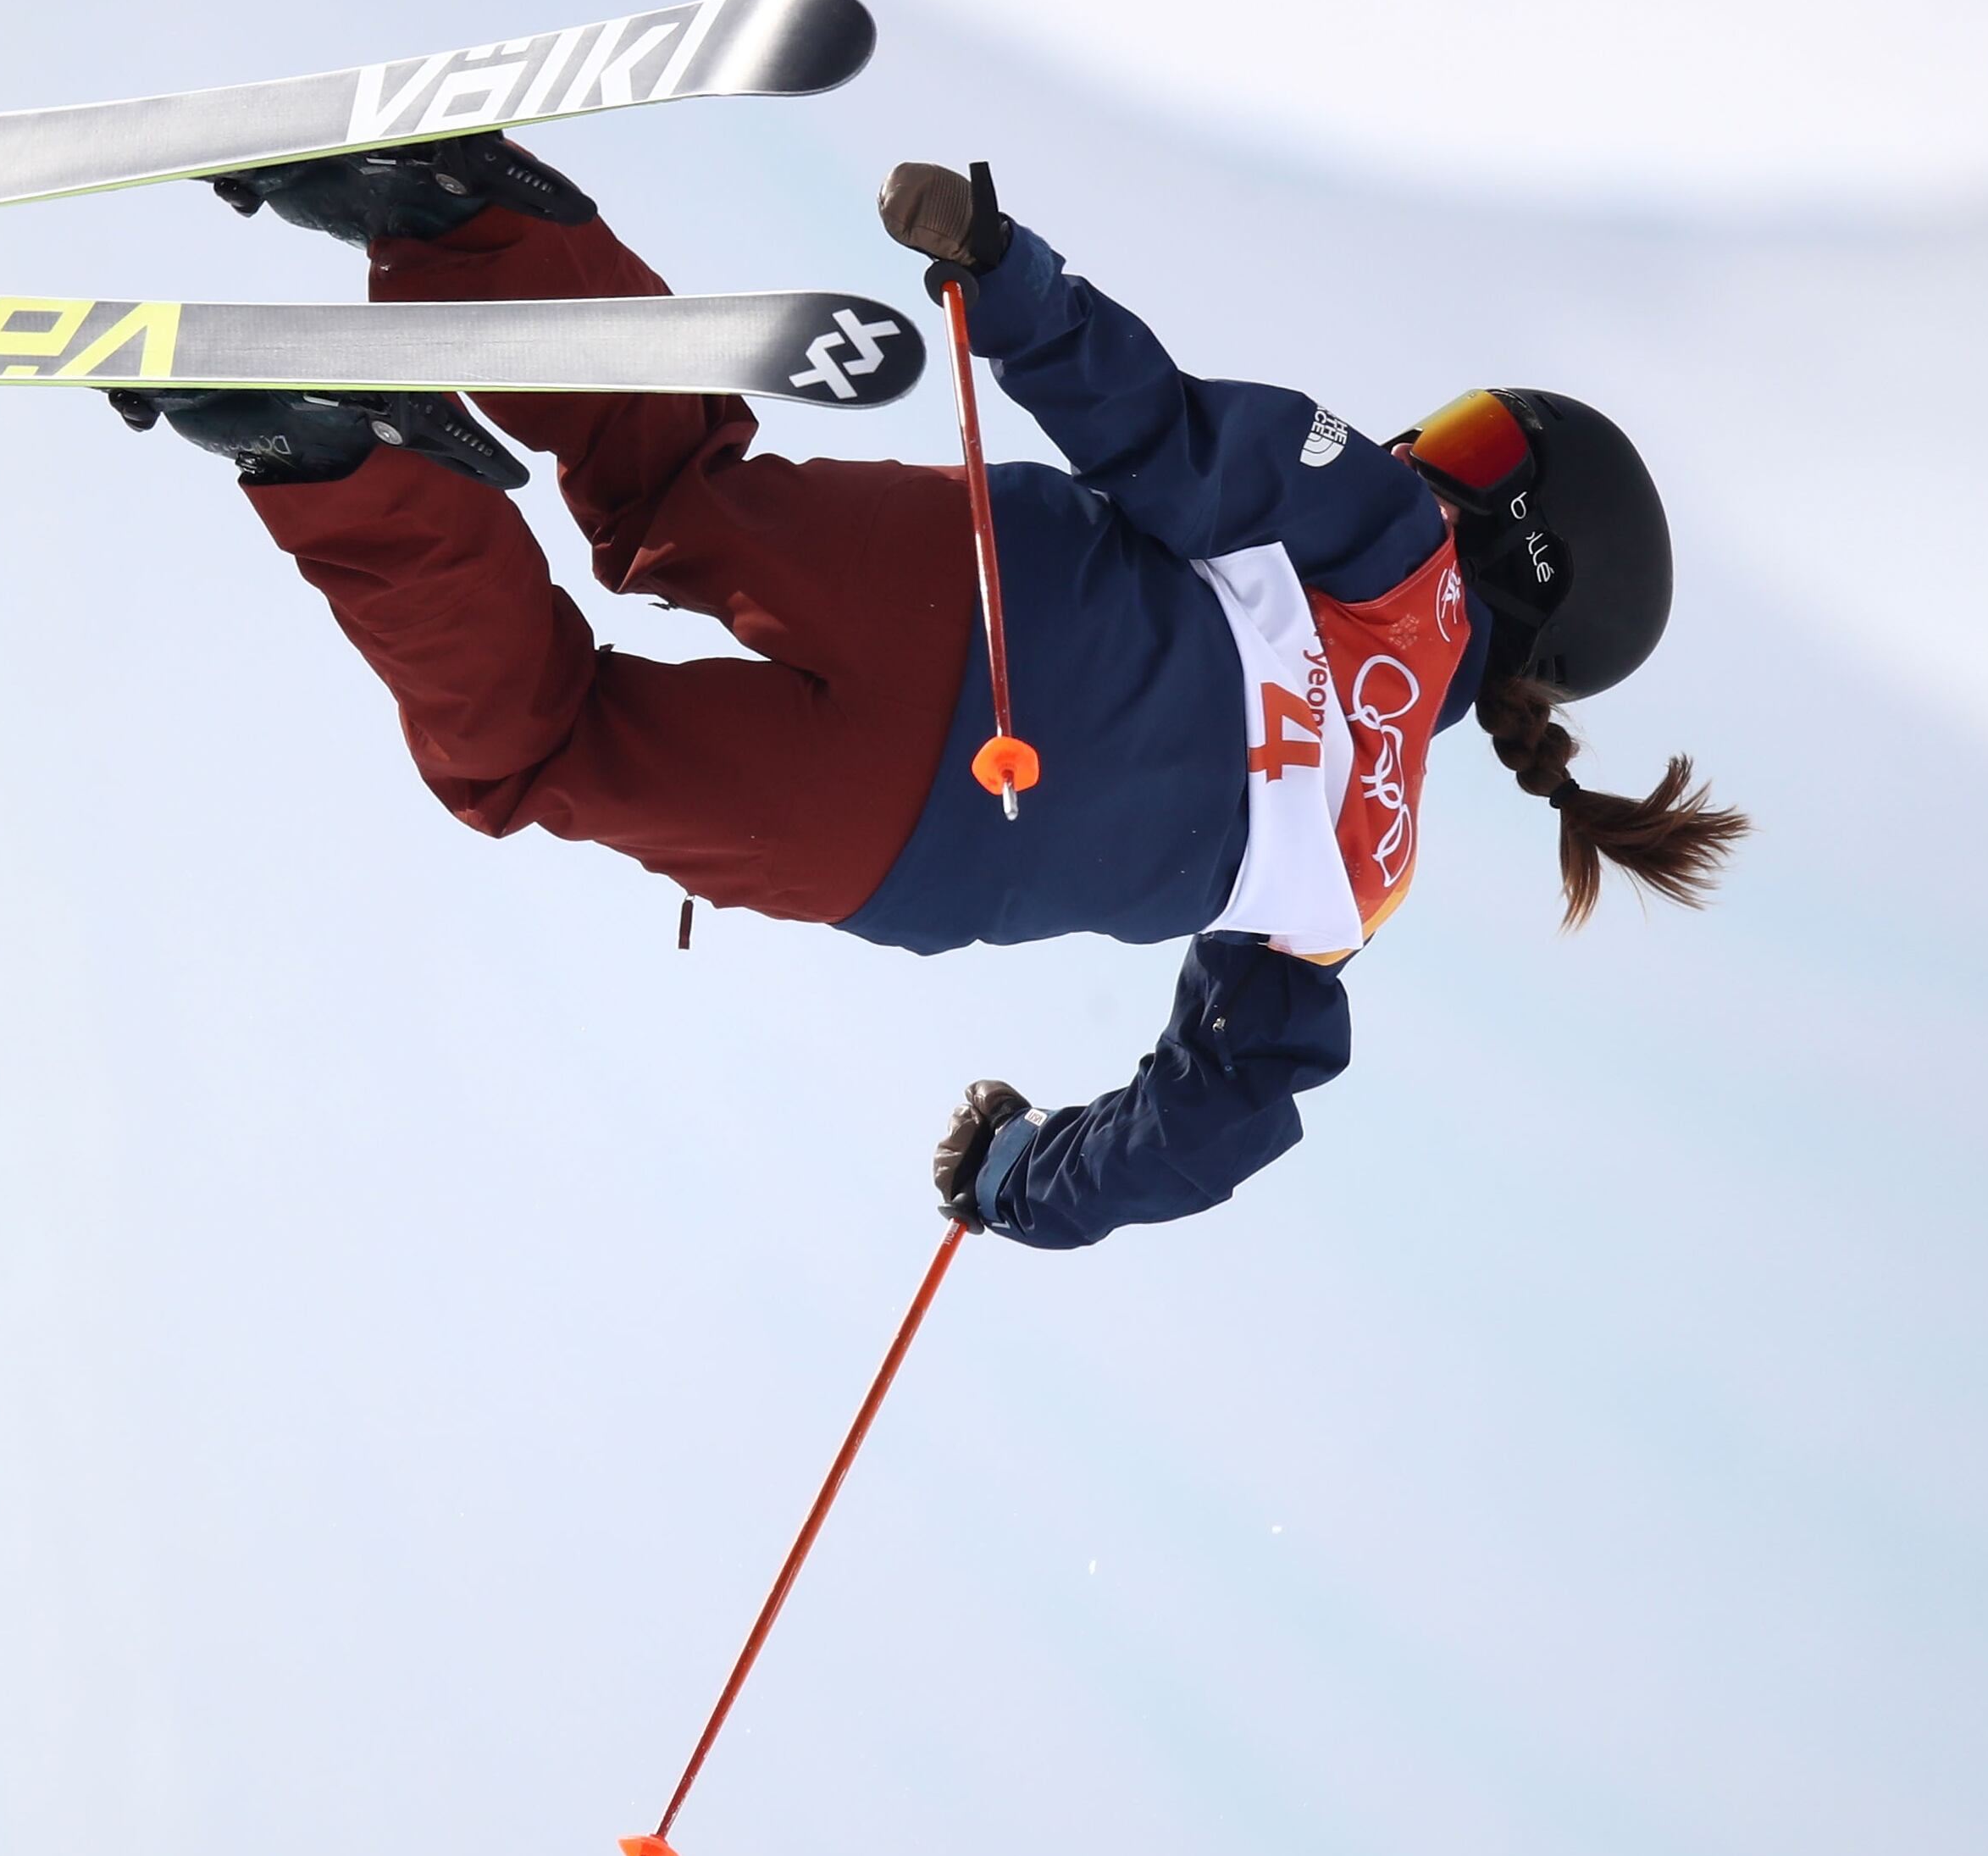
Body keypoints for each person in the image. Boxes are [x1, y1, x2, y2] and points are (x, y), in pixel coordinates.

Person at [110, 135, 1747, 1248]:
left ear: (1521, 552)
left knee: (670, 491)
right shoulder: (1362, 882)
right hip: (899, 849)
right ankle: (341, 459)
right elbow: (1220, 1118)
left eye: (1470, 443)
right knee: (539, 750)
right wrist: (1023, 1177)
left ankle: (461, 219)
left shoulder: (1392, 544)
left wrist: (1007, 273)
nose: (1422, 444)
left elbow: (1162, 437)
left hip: (958, 595)